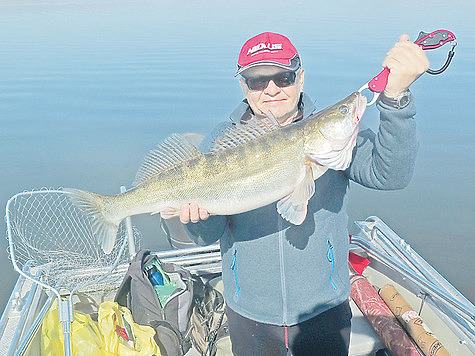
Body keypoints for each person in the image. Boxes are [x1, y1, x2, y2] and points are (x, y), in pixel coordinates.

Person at [163, 32, 429, 355]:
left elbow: (392, 174)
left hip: (324, 312)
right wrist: (196, 221)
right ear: (243, 87)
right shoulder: (222, 142)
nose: (271, 89)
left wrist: (396, 98)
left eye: (283, 77)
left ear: (300, 79)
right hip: (249, 316)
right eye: (257, 80)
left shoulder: (334, 143)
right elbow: (207, 233)